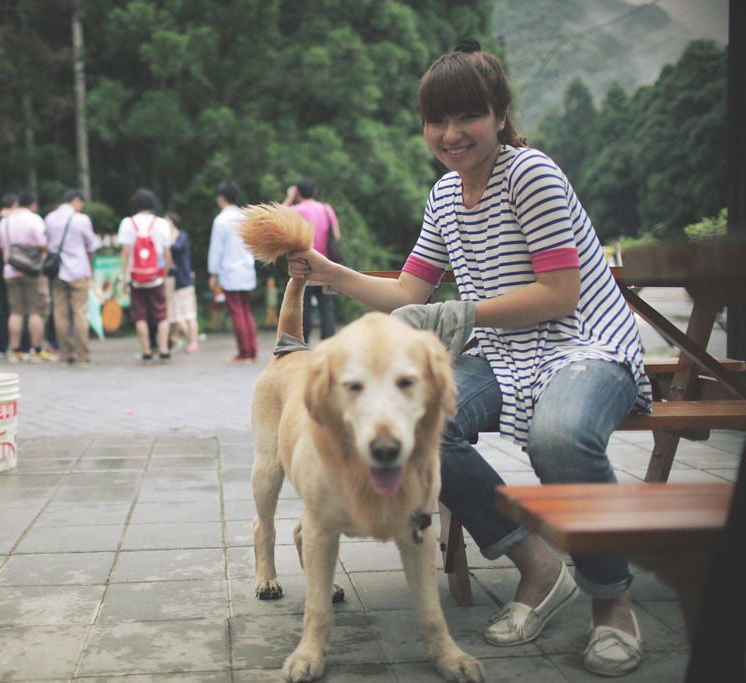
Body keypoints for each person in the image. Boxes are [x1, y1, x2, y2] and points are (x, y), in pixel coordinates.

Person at [285, 38, 652, 677]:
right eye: (437, 121)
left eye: (467, 117)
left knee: (560, 435)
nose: (451, 134)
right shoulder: (445, 195)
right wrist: (328, 272)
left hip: (583, 344)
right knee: (429, 425)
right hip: (505, 353)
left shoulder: (531, 172)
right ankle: (539, 567)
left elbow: (561, 293)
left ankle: (612, 603)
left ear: (500, 113)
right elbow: (409, 293)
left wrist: (462, 314)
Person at [44, 188, 100, 366]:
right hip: (78, 270)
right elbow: (92, 244)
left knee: (60, 313)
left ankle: (65, 354)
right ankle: (83, 354)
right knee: (80, 312)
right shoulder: (81, 219)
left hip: (57, 270)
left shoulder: (50, 218)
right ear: (76, 200)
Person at [0, 189, 55, 362]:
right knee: (35, 311)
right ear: (33, 204)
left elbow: (2, 247)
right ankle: (36, 350)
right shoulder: (35, 220)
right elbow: (44, 244)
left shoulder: (5, 222)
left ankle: (15, 351)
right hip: (33, 271)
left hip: (10, 270)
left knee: (15, 312)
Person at [118, 187, 172, 363]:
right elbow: (167, 253)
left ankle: (146, 350)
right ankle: (164, 349)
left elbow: (125, 253)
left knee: (140, 315)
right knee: (161, 314)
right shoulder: (162, 223)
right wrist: (164, 274)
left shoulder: (128, 223)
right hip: (156, 277)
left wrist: (124, 275)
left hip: (136, 278)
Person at [282, 178, 340, 342]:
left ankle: (303, 343)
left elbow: (277, 218)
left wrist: (289, 198)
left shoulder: (295, 210)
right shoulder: (327, 209)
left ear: (298, 193)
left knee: (303, 306)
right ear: (315, 192)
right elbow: (336, 236)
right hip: (326, 265)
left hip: (303, 266)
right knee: (327, 307)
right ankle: (328, 343)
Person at [208, 180, 257, 363]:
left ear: (221, 198)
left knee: (236, 311)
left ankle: (244, 352)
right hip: (247, 269)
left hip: (230, 270)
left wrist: (213, 273)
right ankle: (252, 350)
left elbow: (216, 250)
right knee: (246, 310)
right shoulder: (245, 217)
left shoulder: (220, 220)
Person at [0, 191, 18, 358]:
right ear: (14, 205)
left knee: (3, 308)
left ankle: (1, 346)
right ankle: (18, 346)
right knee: (17, 309)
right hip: (13, 269)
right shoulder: (10, 224)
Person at [165, 211, 200, 353]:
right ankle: (176, 338)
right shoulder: (168, 237)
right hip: (172, 280)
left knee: (189, 313)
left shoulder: (181, 237)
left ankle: (194, 341)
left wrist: (166, 243)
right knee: (174, 313)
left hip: (184, 278)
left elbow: (176, 248)